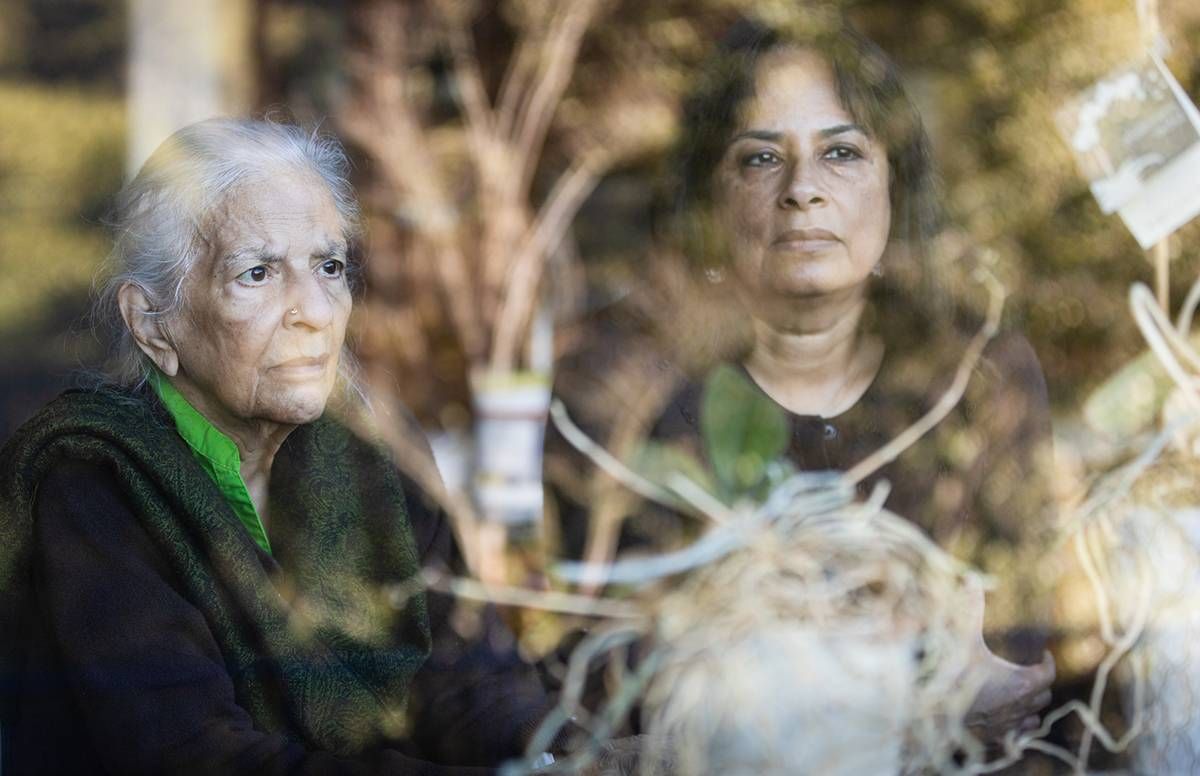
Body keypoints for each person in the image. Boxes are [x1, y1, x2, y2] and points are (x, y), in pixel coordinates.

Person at [545, 18, 1056, 745]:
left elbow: (1020, 662)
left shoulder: (976, 378)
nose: (802, 190)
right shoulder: (630, 394)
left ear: (895, 186)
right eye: (759, 159)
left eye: (842, 152)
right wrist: (911, 709)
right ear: (711, 203)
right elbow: (604, 687)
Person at [0, 119, 551, 775]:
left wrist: (561, 753)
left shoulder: (374, 457)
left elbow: (467, 679)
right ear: (152, 324)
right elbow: (194, 756)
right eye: (258, 273)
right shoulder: (92, 482)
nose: (314, 311)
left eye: (329, 266)